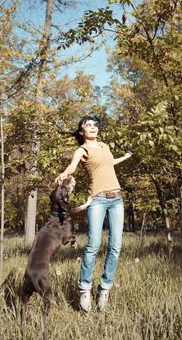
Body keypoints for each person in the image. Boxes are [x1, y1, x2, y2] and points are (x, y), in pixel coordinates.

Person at [55, 115, 132, 312]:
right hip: (97, 200)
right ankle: (85, 289)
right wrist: (65, 173)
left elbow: (108, 163)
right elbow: (72, 166)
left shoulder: (105, 146)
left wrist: (125, 157)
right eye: (88, 125)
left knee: (116, 246)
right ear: (81, 132)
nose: (93, 127)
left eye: (95, 124)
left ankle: (104, 289)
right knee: (93, 245)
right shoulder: (82, 149)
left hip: (117, 199)